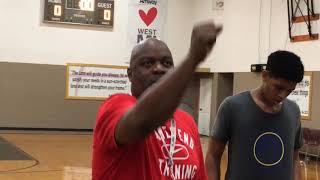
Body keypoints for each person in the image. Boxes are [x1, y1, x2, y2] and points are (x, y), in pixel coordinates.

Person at [92, 21, 222, 180]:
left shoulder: (187, 122)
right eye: (147, 63)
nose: (159, 68)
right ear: (130, 74)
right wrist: (192, 59)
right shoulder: (114, 106)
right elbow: (143, 122)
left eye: (167, 63)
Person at [205, 50, 304, 180]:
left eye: (289, 91)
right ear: (264, 76)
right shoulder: (232, 106)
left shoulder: (294, 111)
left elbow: (295, 158)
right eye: (279, 88)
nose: (282, 95)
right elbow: (213, 155)